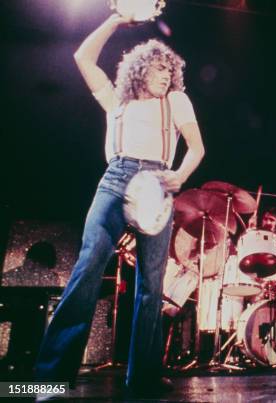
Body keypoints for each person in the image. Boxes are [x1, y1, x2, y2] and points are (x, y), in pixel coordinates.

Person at [34, 13, 205, 395]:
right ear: (141, 68)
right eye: (160, 69)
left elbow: (197, 147)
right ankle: (50, 380)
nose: (166, 75)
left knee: (151, 286)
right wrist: (116, 19)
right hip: (115, 180)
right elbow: (82, 57)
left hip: (159, 184)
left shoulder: (177, 100)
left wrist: (179, 176)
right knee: (88, 266)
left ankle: (142, 377)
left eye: (170, 71)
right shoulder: (116, 99)